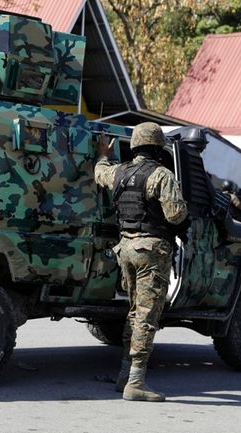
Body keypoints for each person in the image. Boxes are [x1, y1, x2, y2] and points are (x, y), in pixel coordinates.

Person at [94, 122, 189, 402]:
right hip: (151, 251)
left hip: (126, 248)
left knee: (135, 312)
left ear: (135, 145)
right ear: (159, 147)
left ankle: (125, 375)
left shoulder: (119, 172)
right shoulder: (161, 175)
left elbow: (100, 173)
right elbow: (176, 215)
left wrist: (102, 154)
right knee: (147, 315)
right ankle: (136, 382)